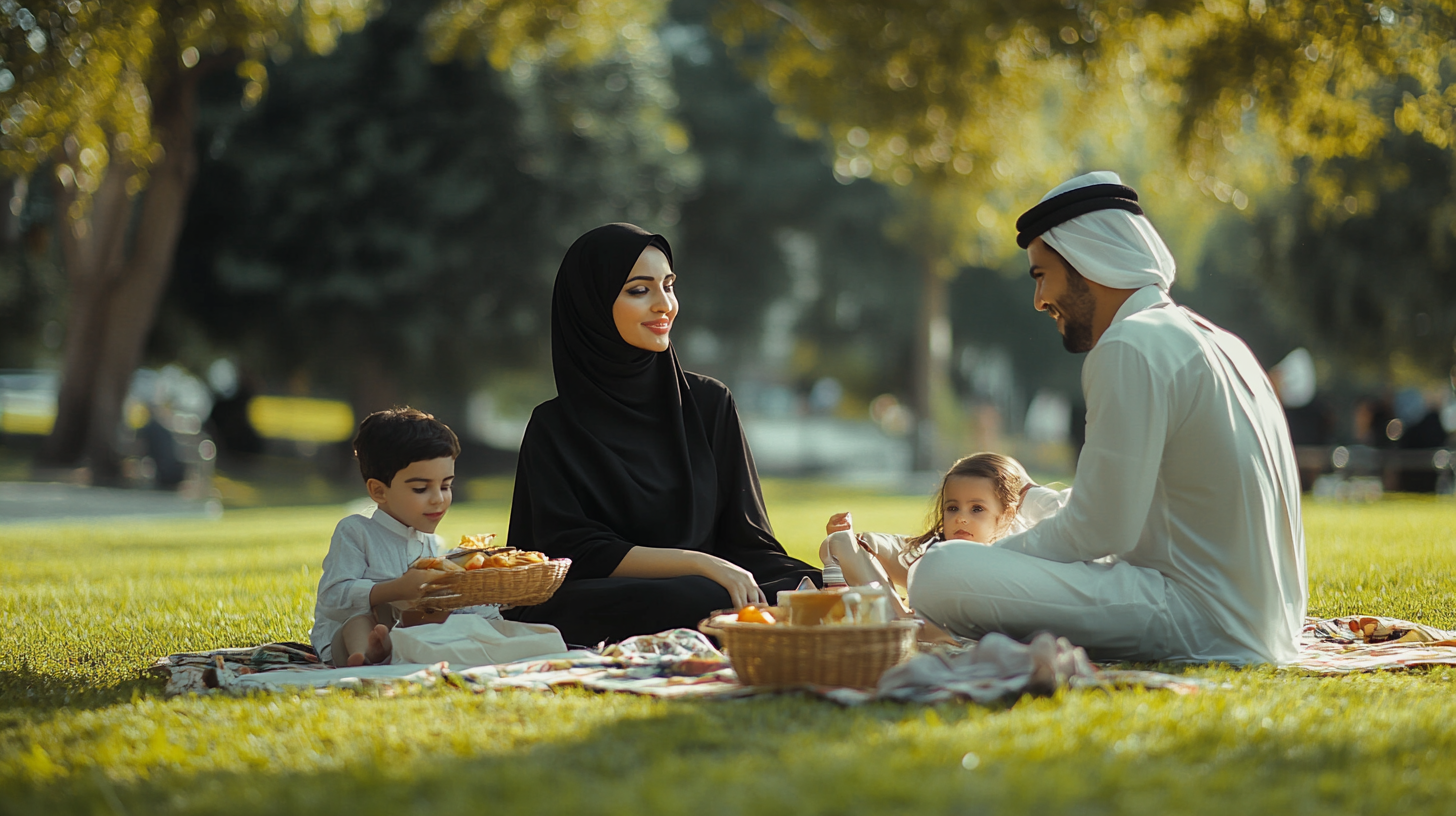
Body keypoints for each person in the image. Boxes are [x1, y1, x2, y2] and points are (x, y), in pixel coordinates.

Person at [907, 171, 1306, 665]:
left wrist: (985, 560)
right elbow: (1126, 509)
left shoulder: (1129, 345)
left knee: (937, 572)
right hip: (1258, 621)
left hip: (1197, 617)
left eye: (1040, 275)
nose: (1039, 301)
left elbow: (1101, 532)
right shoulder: (1217, 341)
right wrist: (1034, 502)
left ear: (1086, 262)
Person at [502, 223, 821, 646]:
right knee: (703, 595)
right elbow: (577, 552)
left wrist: (815, 577)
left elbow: (747, 539)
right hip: (608, 590)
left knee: (812, 586)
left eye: (668, 286)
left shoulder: (709, 403)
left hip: (714, 578)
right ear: (591, 305)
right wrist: (704, 565)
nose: (664, 305)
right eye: (639, 290)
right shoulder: (554, 427)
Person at [310, 407, 497, 666]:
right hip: (346, 638)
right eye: (421, 488)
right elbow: (332, 597)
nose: (438, 499)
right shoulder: (356, 531)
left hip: (405, 632)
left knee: (442, 614)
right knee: (361, 621)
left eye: (446, 486)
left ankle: (396, 649)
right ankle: (365, 655)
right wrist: (394, 590)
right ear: (379, 491)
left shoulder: (432, 544)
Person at [819, 453, 1065, 621]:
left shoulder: (1017, 552)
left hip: (967, 615)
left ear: (1007, 514)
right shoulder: (937, 553)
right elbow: (868, 545)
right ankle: (898, 618)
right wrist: (842, 538)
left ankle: (901, 621)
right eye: (952, 508)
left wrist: (1029, 492)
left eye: (977, 509)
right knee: (839, 542)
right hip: (919, 604)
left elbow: (1074, 515)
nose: (961, 518)